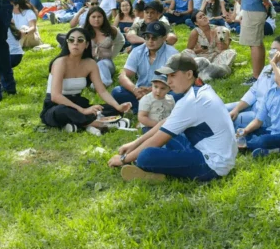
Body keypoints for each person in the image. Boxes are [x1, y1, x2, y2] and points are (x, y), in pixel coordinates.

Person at [108, 54, 238, 182]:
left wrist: (124, 159)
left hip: (213, 165)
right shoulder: (200, 89)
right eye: (168, 76)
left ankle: (159, 174)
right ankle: (164, 165)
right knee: (154, 133)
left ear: (189, 74)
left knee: (145, 156)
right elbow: (166, 123)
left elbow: (157, 140)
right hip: (210, 151)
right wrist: (134, 144)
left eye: (173, 75)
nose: (168, 81)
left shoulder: (191, 101)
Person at [40, 27, 133, 134]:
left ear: (87, 44)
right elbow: (55, 96)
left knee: (111, 109)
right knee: (62, 111)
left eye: (80, 40)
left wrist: (118, 107)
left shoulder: (90, 63)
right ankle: (102, 124)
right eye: (71, 40)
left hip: (77, 103)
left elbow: (102, 91)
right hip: (56, 105)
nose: (75, 43)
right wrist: (83, 110)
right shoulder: (60, 63)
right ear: (67, 43)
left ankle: (78, 125)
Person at [236, 46, 280, 157]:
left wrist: (273, 64)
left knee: (264, 140)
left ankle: (245, 145)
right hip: (274, 132)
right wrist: (245, 131)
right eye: (279, 71)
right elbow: (258, 121)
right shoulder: (270, 93)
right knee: (243, 129)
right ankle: (273, 150)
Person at [113, 21, 177, 112]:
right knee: (117, 91)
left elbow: (176, 81)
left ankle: (141, 109)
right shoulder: (137, 51)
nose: (150, 41)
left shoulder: (172, 54)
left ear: (164, 38)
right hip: (140, 93)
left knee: (176, 95)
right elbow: (123, 76)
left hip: (162, 93)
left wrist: (153, 90)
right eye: (147, 37)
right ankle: (151, 108)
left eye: (154, 37)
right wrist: (135, 90)